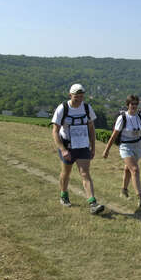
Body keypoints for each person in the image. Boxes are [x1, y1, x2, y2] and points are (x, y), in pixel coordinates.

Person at [51, 83, 104, 215]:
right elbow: (55, 132)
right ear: (70, 95)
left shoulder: (87, 108)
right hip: (68, 146)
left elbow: (91, 128)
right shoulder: (62, 108)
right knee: (66, 173)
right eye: (76, 96)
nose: (79, 99)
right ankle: (63, 195)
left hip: (82, 145)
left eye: (81, 96)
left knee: (85, 173)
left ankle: (92, 203)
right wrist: (63, 150)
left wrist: (93, 146)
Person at [103, 95, 141, 207]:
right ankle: (140, 197)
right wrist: (106, 150)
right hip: (125, 146)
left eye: (136, 104)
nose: (134, 106)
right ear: (128, 105)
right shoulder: (122, 118)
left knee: (128, 169)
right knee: (134, 169)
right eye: (132, 104)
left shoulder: (140, 117)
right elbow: (114, 136)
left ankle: (124, 190)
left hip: (137, 145)